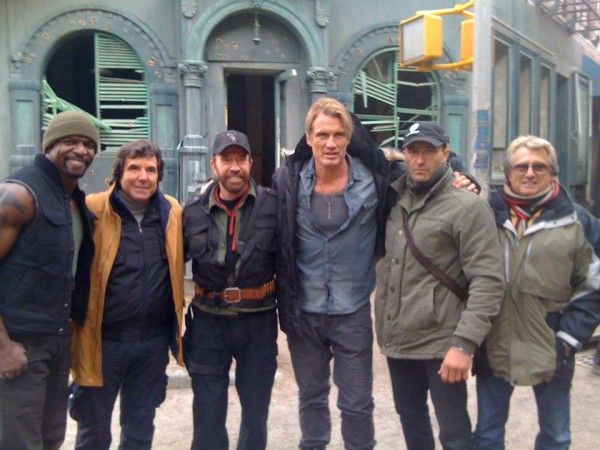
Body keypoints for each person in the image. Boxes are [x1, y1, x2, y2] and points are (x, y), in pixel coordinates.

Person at [375, 121, 505, 450]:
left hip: (442, 343)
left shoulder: (468, 206)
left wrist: (464, 345)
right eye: (413, 151)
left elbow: (488, 281)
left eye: (429, 151)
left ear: (445, 154)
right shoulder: (396, 201)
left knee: (454, 431)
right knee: (411, 417)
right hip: (399, 338)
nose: (420, 159)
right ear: (404, 154)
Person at [473, 135, 600, 450]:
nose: (530, 173)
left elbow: (594, 285)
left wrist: (569, 338)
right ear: (509, 172)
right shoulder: (486, 217)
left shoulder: (578, 221)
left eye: (539, 167)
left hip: (552, 345)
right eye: (522, 166)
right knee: (487, 435)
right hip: (495, 342)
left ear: (553, 173)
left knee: (556, 437)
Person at [69, 140, 185, 450]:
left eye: (151, 170)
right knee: (93, 433)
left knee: (139, 430)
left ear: (159, 175)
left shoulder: (172, 212)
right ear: (119, 173)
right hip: (103, 343)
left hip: (152, 344)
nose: (143, 177)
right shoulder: (93, 209)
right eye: (134, 168)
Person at [0, 111, 98, 449]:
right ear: (49, 146)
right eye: (69, 141)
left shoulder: (74, 199)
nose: (80, 150)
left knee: (50, 437)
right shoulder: (18, 194)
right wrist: (3, 347)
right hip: (19, 343)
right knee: (19, 442)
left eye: (88, 144)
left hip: (57, 341)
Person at [183, 130, 278, 450]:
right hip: (208, 322)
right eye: (226, 160)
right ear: (214, 165)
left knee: (255, 412)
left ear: (250, 162)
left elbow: (291, 263)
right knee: (207, 414)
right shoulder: (192, 212)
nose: (234, 167)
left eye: (241, 159)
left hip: (258, 321)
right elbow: (168, 264)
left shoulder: (273, 206)